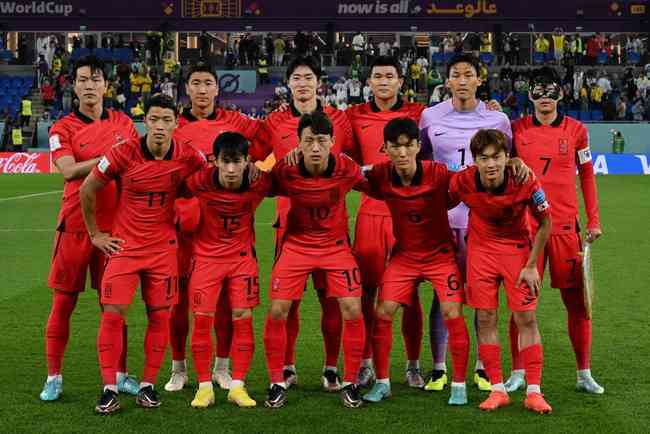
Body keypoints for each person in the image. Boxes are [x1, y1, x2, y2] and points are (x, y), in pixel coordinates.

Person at [80, 94, 206, 414]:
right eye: (154, 119)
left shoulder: (190, 156)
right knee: (112, 313)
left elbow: (208, 183)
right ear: (145, 121)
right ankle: (109, 387)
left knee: (159, 316)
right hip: (125, 247)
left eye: (167, 120)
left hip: (163, 249)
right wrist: (96, 234)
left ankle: (148, 386)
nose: (160, 126)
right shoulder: (123, 152)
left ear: (176, 123)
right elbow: (87, 188)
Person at [250, 56, 355, 393]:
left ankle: (330, 368)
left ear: (318, 82)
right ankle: (288, 365)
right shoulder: (275, 121)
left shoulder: (339, 119)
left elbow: (353, 162)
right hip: (289, 223)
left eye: (308, 77)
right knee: (288, 302)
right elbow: (254, 161)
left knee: (331, 300)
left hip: (332, 225)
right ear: (289, 84)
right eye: (296, 78)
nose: (303, 83)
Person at [40, 56, 140, 402]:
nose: (89, 85)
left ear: (106, 85)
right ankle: (54, 377)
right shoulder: (62, 128)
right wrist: (109, 157)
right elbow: (68, 171)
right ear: (74, 85)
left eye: (95, 79)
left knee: (113, 306)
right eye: (82, 80)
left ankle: (121, 375)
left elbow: (133, 170)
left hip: (113, 229)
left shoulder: (124, 123)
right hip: (75, 226)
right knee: (63, 303)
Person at [506, 67, 604, 395]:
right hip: (527, 230)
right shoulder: (515, 129)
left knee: (577, 304)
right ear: (529, 94)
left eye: (550, 90)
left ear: (561, 93)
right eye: (538, 90)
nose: (544, 96)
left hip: (565, 229)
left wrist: (593, 220)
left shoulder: (577, 130)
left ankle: (583, 373)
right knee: (521, 304)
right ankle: (518, 372)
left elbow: (587, 176)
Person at [419, 53, 513, 393]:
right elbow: (423, 161)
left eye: (468, 74)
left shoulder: (497, 119)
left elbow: (508, 165)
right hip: (442, 221)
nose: (461, 80)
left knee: (482, 295)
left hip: (483, 222)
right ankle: (439, 367)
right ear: (447, 81)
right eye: (455, 74)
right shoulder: (429, 116)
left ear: (479, 80)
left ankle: (482, 367)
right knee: (442, 294)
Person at [360, 118, 470, 406]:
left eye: (408, 145)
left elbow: (471, 179)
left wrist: (513, 166)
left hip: (439, 255)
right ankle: (382, 383)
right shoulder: (381, 175)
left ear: (418, 147)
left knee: (452, 313)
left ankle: (459, 385)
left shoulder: (438, 172)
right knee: (383, 311)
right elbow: (346, 175)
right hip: (405, 257)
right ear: (385, 149)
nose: (402, 152)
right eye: (395, 147)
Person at [165, 63, 259, 393]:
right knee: (177, 302)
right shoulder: (173, 126)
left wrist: (262, 169)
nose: (202, 89)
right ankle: (178, 368)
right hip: (184, 229)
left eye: (208, 83)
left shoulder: (237, 123)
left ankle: (222, 366)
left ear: (217, 89)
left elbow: (268, 145)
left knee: (224, 303)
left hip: (227, 234)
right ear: (186, 89)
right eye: (195, 83)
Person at [263, 112, 366, 409]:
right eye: (309, 141)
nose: (316, 147)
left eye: (322, 141)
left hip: (335, 247)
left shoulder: (347, 168)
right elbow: (260, 188)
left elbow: (379, 186)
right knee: (279, 308)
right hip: (296, 245)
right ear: (299, 143)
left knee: (350, 307)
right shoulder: (287, 169)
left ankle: (347, 380)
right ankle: (276, 381)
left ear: (333, 142)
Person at [448, 128, 553, 414]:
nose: (491, 164)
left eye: (497, 157)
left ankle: (534, 391)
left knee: (526, 318)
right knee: (485, 317)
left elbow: (546, 223)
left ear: (508, 158)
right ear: (475, 161)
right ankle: (497, 389)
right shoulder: (463, 181)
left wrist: (531, 266)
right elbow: (440, 200)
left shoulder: (525, 179)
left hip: (517, 252)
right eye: (484, 158)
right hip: (480, 252)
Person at [345, 56, 427, 388]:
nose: (382, 81)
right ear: (369, 81)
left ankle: (412, 365)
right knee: (367, 292)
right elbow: (346, 159)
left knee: (410, 295)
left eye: (389, 76)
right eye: (377, 75)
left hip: (406, 216)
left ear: (400, 81)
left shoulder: (420, 114)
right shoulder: (355, 116)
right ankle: (365, 362)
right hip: (369, 214)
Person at [184, 132, 270, 409]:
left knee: (242, 317)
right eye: (225, 162)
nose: (231, 169)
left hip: (242, 259)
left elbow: (291, 180)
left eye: (237, 161)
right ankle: (204, 387)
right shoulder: (199, 181)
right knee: (202, 320)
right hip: (206, 260)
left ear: (247, 161)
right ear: (215, 161)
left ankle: (237, 386)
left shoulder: (260, 182)